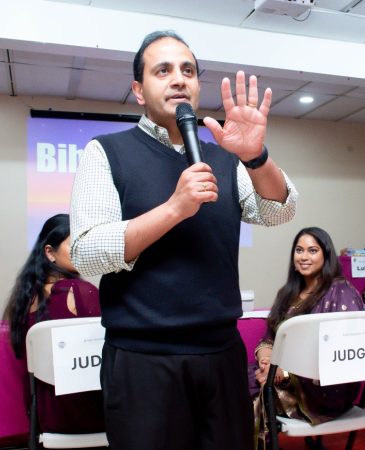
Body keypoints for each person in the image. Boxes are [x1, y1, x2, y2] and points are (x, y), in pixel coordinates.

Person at [70, 30, 297, 450]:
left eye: (188, 71)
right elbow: (86, 253)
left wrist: (256, 157)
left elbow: (279, 210)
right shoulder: (105, 152)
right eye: (163, 71)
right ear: (138, 90)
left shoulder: (224, 156)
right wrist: (175, 208)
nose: (178, 79)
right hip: (143, 360)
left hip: (221, 354)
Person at [253, 227, 364, 448]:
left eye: (312, 250)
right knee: (231, 379)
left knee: (246, 389)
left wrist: (283, 373)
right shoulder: (287, 293)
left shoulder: (341, 292)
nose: (304, 257)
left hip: (322, 389)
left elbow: (343, 352)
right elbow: (269, 338)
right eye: (299, 250)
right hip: (283, 376)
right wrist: (267, 361)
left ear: (326, 255)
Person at [2, 213, 104, 434]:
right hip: (82, 412)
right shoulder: (81, 292)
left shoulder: (26, 299)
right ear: (50, 252)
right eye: (74, 245)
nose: (83, 252)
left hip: (42, 414)